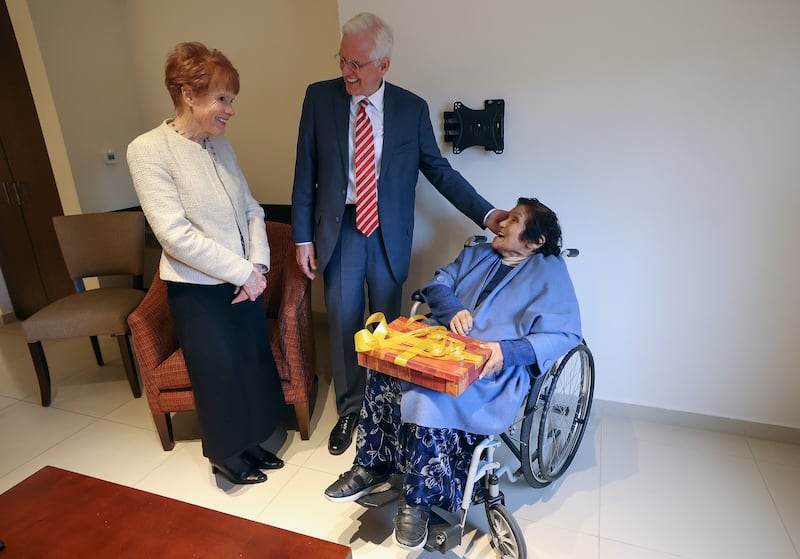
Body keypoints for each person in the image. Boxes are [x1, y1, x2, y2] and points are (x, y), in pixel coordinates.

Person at [291, 11, 508, 456]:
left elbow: (439, 171)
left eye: (357, 64)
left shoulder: (411, 109)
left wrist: (486, 215)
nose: (346, 71)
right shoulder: (320, 98)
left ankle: (385, 408)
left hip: (389, 233)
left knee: (387, 328)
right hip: (342, 229)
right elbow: (304, 170)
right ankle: (351, 408)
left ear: (384, 65)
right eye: (342, 60)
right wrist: (301, 237)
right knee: (346, 321)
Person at [323, 198, 583, 550]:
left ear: (533, 242)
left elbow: (566, 335)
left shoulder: (550, 272)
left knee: (423, 395)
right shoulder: (478, 253)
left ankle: (417, 502)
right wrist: (452, 308)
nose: (503, 221)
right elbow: (438, 284)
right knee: (382, 370)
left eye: (516, 220)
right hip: (440, 349)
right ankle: (372, 466)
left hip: (491, 372)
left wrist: (505, 351)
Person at [127, 42, 285, 485]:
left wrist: (259, 267)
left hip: (245, 281)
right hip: (199, 290)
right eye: (222, 99)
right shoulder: (148, 150)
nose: (230, 110)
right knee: (218, 373)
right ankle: (226, 454)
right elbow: (174, 235)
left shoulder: (221, 147)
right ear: (187, 94)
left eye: (231, 99)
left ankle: (251, 440)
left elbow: (252, 210)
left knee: (249, 364)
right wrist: (244, 274)